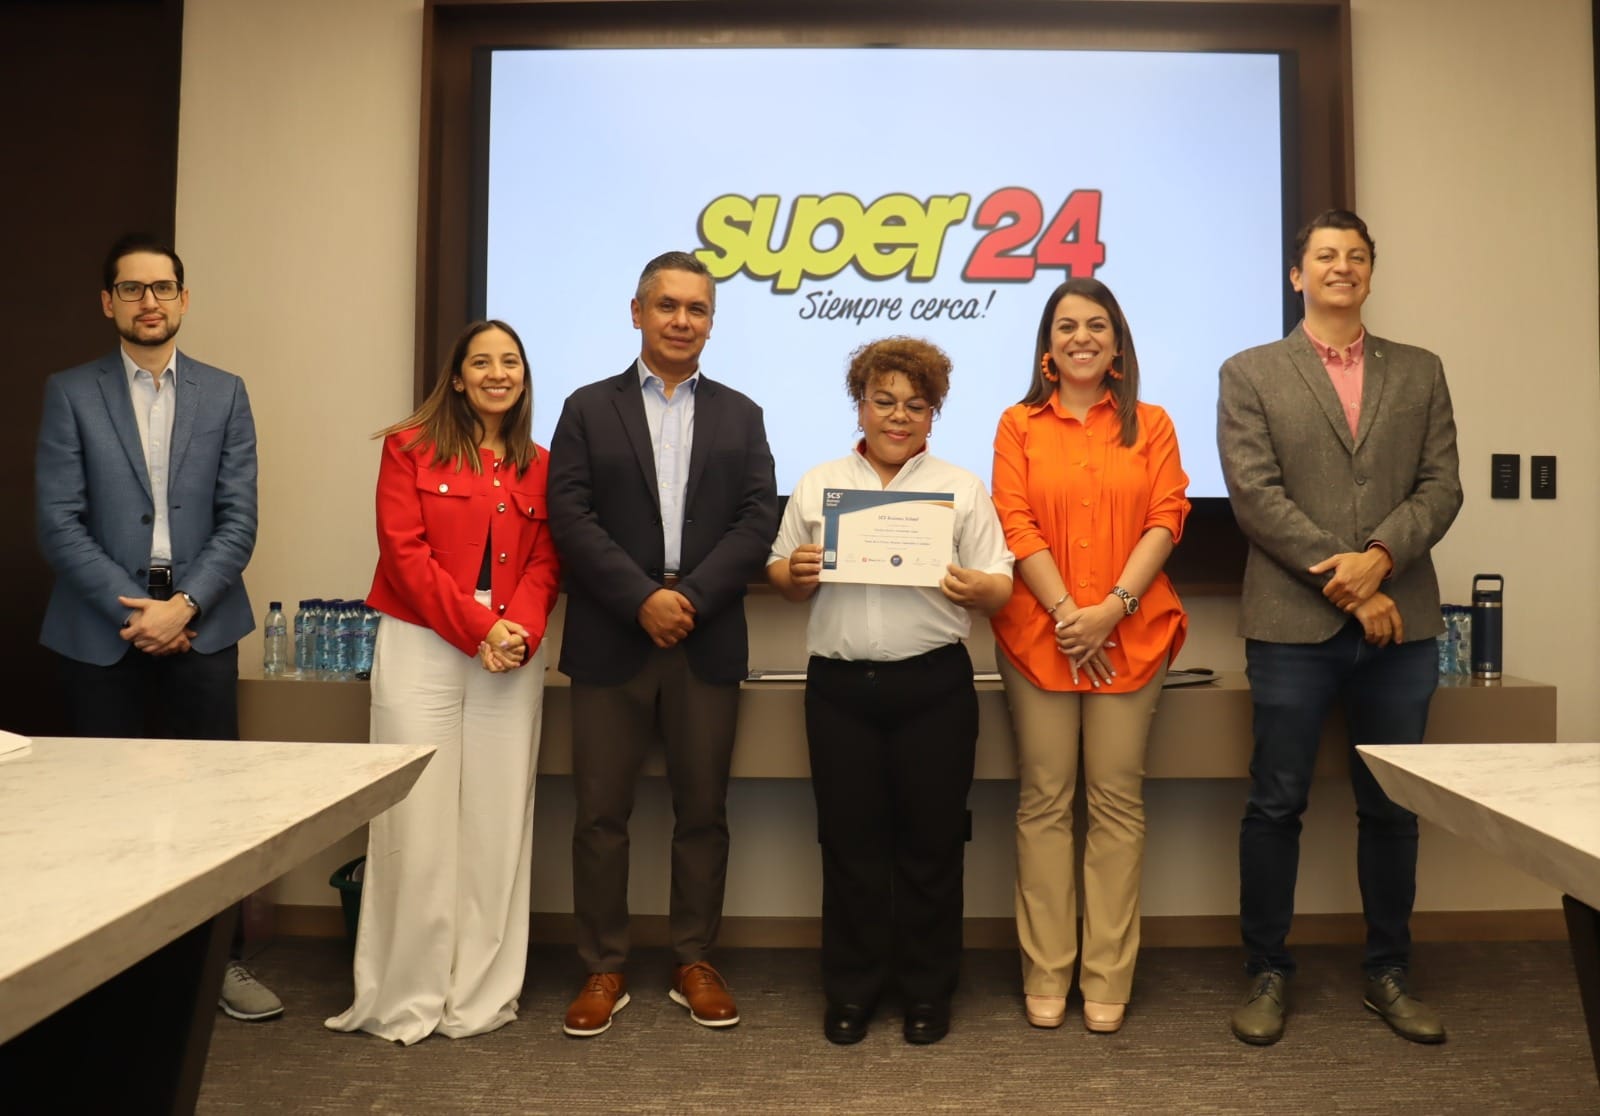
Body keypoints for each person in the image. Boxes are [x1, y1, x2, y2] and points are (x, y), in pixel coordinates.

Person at [1217, 209, 1462, 1046]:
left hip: (1402, 629)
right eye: (1325, 255)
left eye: (1356, 255)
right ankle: (1266, 972)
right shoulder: (1250, 372)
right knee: (1275, 803)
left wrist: (1381, 558)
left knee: (1393, 808)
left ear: (1370, 272)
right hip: (1292, 626)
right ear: (1298, 274)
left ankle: (1389, 972)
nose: (1342, 267)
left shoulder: (1421, 370)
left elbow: (1442, 487)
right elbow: (1256, 498)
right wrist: (1353, 588)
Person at [35, 233, 280, 1023]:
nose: (150, 302)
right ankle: (111, 979)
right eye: (133, 289)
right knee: (104, 813)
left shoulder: (225, 393)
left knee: (210, 811)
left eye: (163, 287)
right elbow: (58, 522)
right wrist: (136, 611)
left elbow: (239, 520)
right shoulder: (70, 393)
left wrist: (185, 606)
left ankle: (218, 966)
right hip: (99, 630)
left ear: (184, 298)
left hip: (202, 626)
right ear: (108, 302)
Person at [547, 251, 778, 1037]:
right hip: (612, 633)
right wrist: (641, 598)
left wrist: (691, 599)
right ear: (637, 312)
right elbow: (570, 516)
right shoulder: (587, 408)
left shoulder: (742, 414)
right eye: (668, 305)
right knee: (599, 815)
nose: (682, 320)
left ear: (711, 322)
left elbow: (758, 519)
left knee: (703, 811)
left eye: (697, 309)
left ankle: (694, 959)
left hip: (705, 637)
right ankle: (603, 965)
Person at [768, 337, 1014, 1046]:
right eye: (884, 401)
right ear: (860, 404)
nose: (898, 416)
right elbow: (780, 573)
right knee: (850, 846)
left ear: (933, 414)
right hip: (840, 692)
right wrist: (796, 573)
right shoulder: (818, 485)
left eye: (916, 405)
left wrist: (976, 587)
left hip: (933, 688)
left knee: (933, 846)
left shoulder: (960, 488)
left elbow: (1000, 584)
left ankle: (927, 993)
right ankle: (852, 991)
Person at [326, 319, 561, 1045]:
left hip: (511, 651)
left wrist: (515, 632)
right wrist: (479, 628)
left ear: (524, 377)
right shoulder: (408, 448)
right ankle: (404, 996)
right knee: (415, 818)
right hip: (425, 641)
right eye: (481, 362)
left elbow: (547, 561)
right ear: (457, 378)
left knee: (497, 822)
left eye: (510, 361)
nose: (498, 373)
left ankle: (480, 996)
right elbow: (404, 555)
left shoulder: (542, 464)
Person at [989, 277, 1189, 1035]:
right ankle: (1046, 970)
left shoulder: (1154, 424)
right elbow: (1013, 520)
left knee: (1115, 801)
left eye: (1097, 325)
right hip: (1039, 634)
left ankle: (1107, 976)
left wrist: (1111, 610)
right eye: (1067, 326)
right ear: (1048, 347)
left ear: (1117, 344)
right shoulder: (1017, 425)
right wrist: (1069, 615)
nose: (1082, 337)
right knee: (1044, 799)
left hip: (1131, 632)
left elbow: (1167, 517)